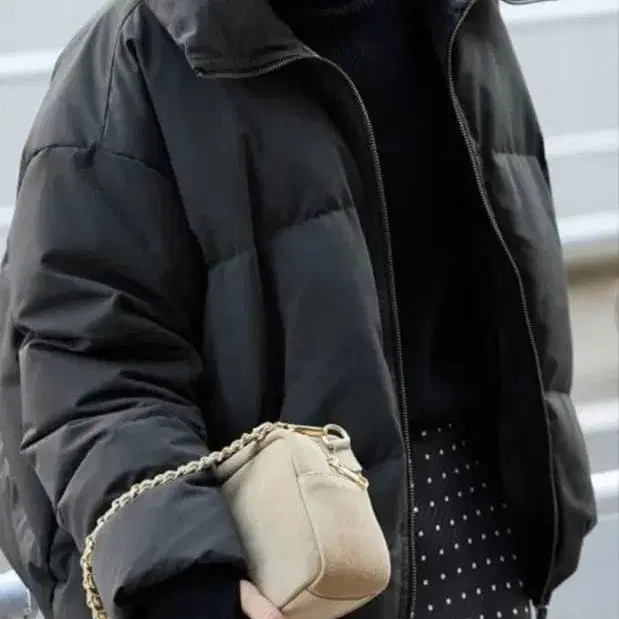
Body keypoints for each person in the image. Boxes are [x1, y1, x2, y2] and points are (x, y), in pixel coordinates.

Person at [0, 0, 597, 617]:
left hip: (483, 545)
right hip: (271, 570)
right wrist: (186, 581)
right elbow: (90, 364)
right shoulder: (128, 66)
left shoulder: (458, 19)